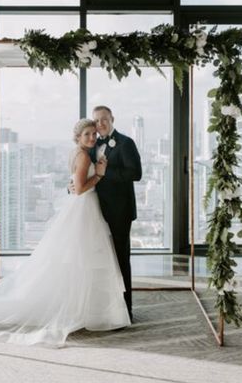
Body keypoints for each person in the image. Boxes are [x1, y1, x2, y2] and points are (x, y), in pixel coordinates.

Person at [0, 119, 131, 347]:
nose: (92, 137)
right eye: (87, 134)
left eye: (93, 134)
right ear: (78, 138)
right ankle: (82, 310)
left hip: (83, 209)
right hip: (83, 209)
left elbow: (75, 184)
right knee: (83, 259)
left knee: (79, 261)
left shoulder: (79, 153)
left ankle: (85, 309)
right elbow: (81, 188)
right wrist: (100, 174)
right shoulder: (83, 156)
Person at [90, 106, 142, 322]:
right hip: (96, 210)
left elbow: (135, 173)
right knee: (100, 261)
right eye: (97, 120)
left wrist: (105, 171)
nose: (101, 123)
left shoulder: (126, 142)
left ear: (112, 119)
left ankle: (125, 311)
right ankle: (104, 309)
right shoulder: (93, 144)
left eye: (104, 119)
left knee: (121, 260)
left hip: (120, 211)